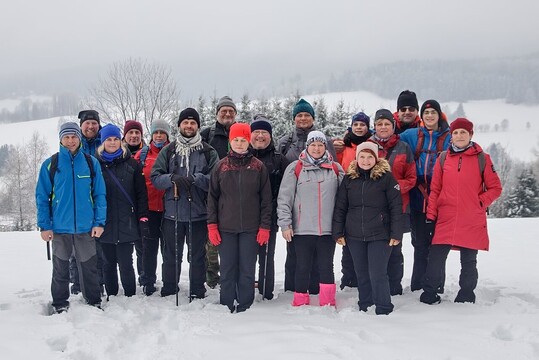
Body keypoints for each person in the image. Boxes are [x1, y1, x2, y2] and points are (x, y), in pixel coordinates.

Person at [420, 118, 502, 305]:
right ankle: (429, 294)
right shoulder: (443, 158)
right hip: (446, 216)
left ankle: (466, 295)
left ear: (470, 135)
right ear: (451, 136)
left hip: (471, 217)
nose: (459, 136)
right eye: (456, 133)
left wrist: (479, 202)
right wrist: (431, 214)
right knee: (436, 257)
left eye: (463, 132)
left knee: (469, 260)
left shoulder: (483, 158)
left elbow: (495, 188)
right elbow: (435, 189)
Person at [36, 122, 106, 313]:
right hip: (59, 228)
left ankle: (93, 301)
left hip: (86, 227)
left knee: (89, 267)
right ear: (60, 139)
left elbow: (99, 194)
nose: (70, 141)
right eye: (66, 137)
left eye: (74, 136)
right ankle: (60, 303)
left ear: (79, 138)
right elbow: (42, 197)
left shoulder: (91, 163)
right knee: (60, 269)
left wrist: (99, 222)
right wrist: (45, 226)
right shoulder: (51, 164)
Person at [152, 108, 219, 299]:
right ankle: (170, 287)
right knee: (171, 255)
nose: (189, 126)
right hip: (172, 213)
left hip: (198, 213)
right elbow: (155, 177)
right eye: (185, 122)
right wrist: (171, 178)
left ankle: (198, 289)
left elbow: (216, 180)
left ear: (197, 126)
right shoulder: (169, 150)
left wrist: (197, 179)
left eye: (192, 123)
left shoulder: (208, 151)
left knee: (198, 256)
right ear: (179, 125)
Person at [207, 122, 272, 313]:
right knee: (227, 268)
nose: (240, 143)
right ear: (230, 141)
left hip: (250, 229)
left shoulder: (258, 167)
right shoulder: (221, 166)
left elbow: (266, 200)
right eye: (236, 139)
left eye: (243, 140)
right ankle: (227, 303)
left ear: (249, 141)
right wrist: (212, 225)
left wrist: (264, 226)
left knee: (247, 269)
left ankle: (245, 304)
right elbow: (212, 198)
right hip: (225, 228)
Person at [332, 142, 403, 315]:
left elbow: (396, 206)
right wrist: (338, 231)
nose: (365, 160)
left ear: (376, 158)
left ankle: (383, 306)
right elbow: (341, 206)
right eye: (362, 156)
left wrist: (396, 232)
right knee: (361, 272)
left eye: (369, 156)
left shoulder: (386, 178)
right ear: (356, 158)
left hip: (380, 234)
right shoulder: (349, 178)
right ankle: (365, 303)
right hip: (354, 234)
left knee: (377, 272)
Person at [277, 131, 344, 307]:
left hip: (328, 229)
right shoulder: (295, 168)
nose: (316, 148)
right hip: (302, 228)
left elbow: (345, 200)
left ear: (325, 147)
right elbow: (285, 198)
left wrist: (342, 226)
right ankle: (300, 300)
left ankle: (328, 301)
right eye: (313, 145)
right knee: (302, 266)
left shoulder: (336, 169)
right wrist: (285, 224)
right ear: (307, 146)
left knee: (326, 266)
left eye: (320, 145)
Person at [399, 99, 451, 292]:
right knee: (420, 244)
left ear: (439, 115)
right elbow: (387, 138)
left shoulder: (449, 137)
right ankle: (418, 285)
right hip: (417, 198)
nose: (429, 116)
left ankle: (436, 285)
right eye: (426, 113)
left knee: (438, 245)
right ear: (422, 116)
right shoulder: (411, 135)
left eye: (433, 112)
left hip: (441, 198)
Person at [95, 124, 149, 298]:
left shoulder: (132, 164)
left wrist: (142, 217)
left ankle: (130, 296)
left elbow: (141, 194)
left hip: (127, 220)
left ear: (121, 141)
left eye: (116, 139)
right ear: (103, 142)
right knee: (108, 262)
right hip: (105, 221)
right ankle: (111, 294)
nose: (112, 142)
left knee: (126, 262)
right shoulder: (95, 165)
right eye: (108, 140)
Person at [368, 109, 417, 295]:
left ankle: (394, 287)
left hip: (398, 207)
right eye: (379, 124)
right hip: (373, 208)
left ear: (393, 126)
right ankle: (375, 286)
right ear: (374, 127)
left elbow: (411, 178)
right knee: (375, 249)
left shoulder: (403, 147)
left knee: (395, 248)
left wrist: (394, 188)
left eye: (386, 124)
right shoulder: (368, 146)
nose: (383, 127)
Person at [250, 115, 290, 300]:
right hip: (245, 216)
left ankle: (266, 291)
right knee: (247, 255)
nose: (260, 136)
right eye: (256, 132)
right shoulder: (244, 156)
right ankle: (246, 287)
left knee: (267, 255)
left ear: (270, 136)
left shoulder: (279, 160)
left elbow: (288, 188)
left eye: (264, 132)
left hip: (269, 216)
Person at [200, 96, 237, 289]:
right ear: (217, 113)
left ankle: (232, 275)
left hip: (237, 194)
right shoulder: (207, 134)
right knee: (212, 240)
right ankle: (212, 277)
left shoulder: (241, 133)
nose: (227, 114)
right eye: (224, 111)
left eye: (231, 111)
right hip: (212, 192)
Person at [134, 119, 171, 296]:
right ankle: (148, 281)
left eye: (162, 133)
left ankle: (169, 280)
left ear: (167, 136)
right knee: (148, 248)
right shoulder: (142, 155)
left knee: (168, 248)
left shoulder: (173, 153)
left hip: (168, 209)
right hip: (148, 209)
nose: (159, 136)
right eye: (156, 133)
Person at [335, 111, 371, 290]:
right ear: (351, 126)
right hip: (346, 196)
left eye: (362, 125)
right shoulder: (344, 146)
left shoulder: (371, 146)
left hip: (366, 197)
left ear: (367, 127)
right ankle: (348, 278)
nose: (359, 127)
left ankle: (363, 277)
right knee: (348, 240)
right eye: (356, 124)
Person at [69, 110, 103, 295]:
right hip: (78, 205)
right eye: (87, 124)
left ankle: (98, 283)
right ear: (81, 126)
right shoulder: (74, 144)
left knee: (98, 248)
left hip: (98, 203)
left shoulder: (105, 142)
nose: (90, 127)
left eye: (94, 123)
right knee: (75, 249)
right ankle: (76, 285)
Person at [122, 119, 145, 284]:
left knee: (143, 247)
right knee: (125, 249)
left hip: (144, 206)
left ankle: (144, 278)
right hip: (124, 208)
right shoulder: (118, 154)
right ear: (124, 136)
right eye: (131, 132)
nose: (134, 136)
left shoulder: (147, 153)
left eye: (137, 132)